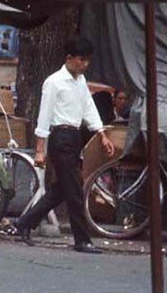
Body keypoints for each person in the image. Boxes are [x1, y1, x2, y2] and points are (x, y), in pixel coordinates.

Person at [12, 36, 115, 253]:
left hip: (75, 137)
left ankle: (24, 223)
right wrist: (40, 148)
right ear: (69, 58)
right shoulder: (54, 82)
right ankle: (82, 239)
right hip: (60, 138)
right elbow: (45, 114)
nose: (84, 65)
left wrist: (102, 133)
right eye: (81, 60)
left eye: (87, 61)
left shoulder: (80, 82)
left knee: (61, 190)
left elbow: (89, 108)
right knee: (74, 190)